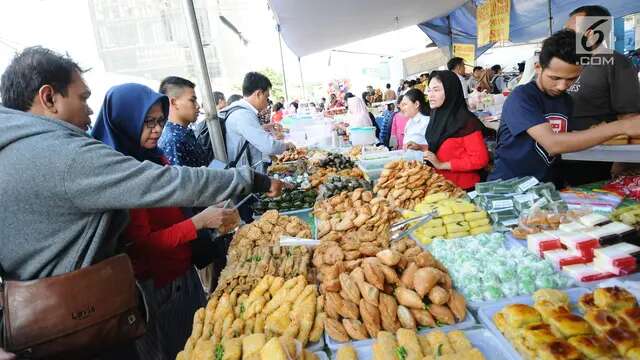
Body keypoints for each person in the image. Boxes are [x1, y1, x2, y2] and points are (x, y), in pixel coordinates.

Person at [0, 46, 283, 357]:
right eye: (82, 98)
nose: (90, 111)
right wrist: (252, 180)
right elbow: (171, 184)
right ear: (49, 98)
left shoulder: (10, 151)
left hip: (39, 332)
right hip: (90, 325)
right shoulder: (62, 156)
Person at [92, 83, 241, 359]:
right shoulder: (120, 175)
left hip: (183, 274)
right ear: (124, 121)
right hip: (155, 291)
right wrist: (198, 222)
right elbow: (141, 245)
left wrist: (205, 211)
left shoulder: (156, 158)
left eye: (160, 120)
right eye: (147, 121)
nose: (157, 129)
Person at [489, 30, 640, 184]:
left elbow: (566, 140)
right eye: (555, 78)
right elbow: (553, 144)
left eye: (572, 79)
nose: (562, 86)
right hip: (508, 185)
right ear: (538, 67)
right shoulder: (522, 97)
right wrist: (621, 126)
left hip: (545, 187)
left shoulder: (565, 100)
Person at [562, 5, 640, 186]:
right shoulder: (568, 60)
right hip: (563, 152)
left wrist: (622, 160)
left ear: (590, 33)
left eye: (569, 31)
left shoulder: (617, 63)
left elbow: (630, 116)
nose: (564, 35)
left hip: (596, 159)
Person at [416, 71, 489, 190]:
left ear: (450, 91)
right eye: (429, 90)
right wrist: (421, 147)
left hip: (462, 189)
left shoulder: (466, 122)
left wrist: (442, 165)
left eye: (436, 90)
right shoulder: (437, 115)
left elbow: (480, 159)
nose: (431, 95)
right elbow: (443, 146)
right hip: (440, 185)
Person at [225, 72, 290, 174]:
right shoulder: (243, 115)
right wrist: (287, 146)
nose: (267, 102)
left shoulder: (240, 111)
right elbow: (269, 146)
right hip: (243, 173)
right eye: (266, 97)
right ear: (259, 94)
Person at [157, 76, 208, 168]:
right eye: (192, 100)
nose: (197, 106)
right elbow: (180, 181)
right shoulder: (172, 140)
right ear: (174, 103)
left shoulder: (183, 133)